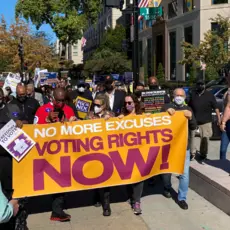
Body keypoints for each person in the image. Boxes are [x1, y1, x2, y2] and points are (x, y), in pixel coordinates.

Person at [34, 88, 76, 221]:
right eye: (58, 100)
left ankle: (57, 210)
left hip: (64, 151)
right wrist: (46, 120)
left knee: (62, 180)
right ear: (52, 98)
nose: (61, 103)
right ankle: (56, 210)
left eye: (63, 100)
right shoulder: (42, 109)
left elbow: (75, 130)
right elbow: (34, 129)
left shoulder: (69, 109)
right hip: (47, 152)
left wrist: (74, 122)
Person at [161, 88, 197, 210]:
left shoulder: (188, 109)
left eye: (182, 95)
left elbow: (194, 127)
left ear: (185, 97)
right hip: (168, 146)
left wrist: (191, 117)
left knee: (184, 174)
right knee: (167, 172)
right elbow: (158, 123)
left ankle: (182, 198)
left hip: (183, 147)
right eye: (177, 95)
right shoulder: (166, 107)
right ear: (173, 96)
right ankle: (167, 187)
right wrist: (166, 112)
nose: (179, 97)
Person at [85, 94, 114, 216]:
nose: (95, 107)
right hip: (93, 151)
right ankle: (96, 195)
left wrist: (110, 120)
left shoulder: (111, 115)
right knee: (95, 177)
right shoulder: (89, 115)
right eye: (94, 104)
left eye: (98, 105)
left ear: (105, 105)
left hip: (106, 152)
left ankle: (106, 205)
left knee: (106, 180)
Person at [118, 94, 145, 215]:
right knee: (128, 178)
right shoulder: (122, 117)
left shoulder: (142, 116)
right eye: (125, 103)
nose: (127, 105)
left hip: (140, 151)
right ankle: (132, 197)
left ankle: (137, 201)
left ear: (135, 102)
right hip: (125, 152)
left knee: (139, 177)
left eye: (130, 102)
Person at [189, 80, 221, 160]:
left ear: (204, 85)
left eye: (201, 84)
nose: (199, 86)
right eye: (198, 84)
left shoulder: (210, 95)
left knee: (205, 138)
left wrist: (219, 119)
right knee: (192, 137)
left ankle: (203, 153)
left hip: (206, 121)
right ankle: (192, 153)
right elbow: (189, 106)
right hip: (194, 120)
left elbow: (216, 108)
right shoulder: (193, 94)